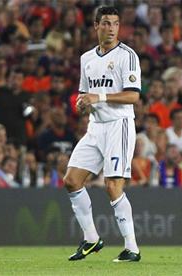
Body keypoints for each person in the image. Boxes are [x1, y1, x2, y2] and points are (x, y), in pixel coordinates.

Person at [63, 6, 141, 262]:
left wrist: (100, 96)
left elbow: (133, 95)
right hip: (95, 127)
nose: (111, 29)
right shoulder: (87, 58)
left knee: (112, 185)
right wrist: (82, 101)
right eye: (106, 23)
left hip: (119, 126)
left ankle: (132, 248)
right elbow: (85, 92)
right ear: (96, 26)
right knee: (72, 180)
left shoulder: (127, 56)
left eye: (115, 24)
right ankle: (91, 239)